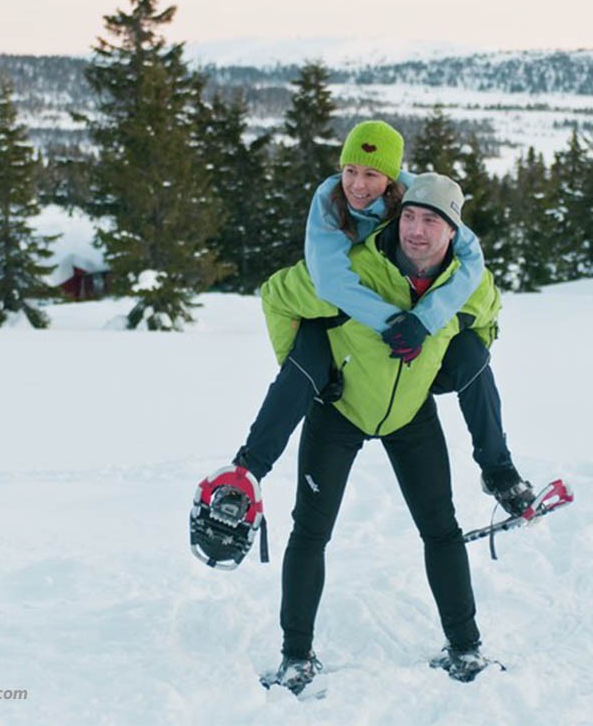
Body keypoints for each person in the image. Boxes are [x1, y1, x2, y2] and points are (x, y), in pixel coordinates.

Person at [250, 173, 534, 693]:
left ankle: (466, 649)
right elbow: (275, 295)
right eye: (409, 217)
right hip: (341, 412)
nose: (416, 232)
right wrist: (309, 368)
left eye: (432, 221)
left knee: (441, 530)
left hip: (410, 414)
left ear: (454, 233)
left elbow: (487, 325)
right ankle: (296, 657)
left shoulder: (470, 284)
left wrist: (443, 367)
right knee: (311, 533)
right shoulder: (353, 270)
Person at [193, 123, 526, 547]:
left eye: (371, 174)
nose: (358, 185)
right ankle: (245, 476)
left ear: (394, 183)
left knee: (473, 356)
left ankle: (499, 471)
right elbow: (314, 289)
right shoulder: (330, 211)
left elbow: (474, 264)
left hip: (414, 361)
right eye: (351, 171)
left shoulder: (420, 202)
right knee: (308, 355)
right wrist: (386, 326)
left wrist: (432, 321)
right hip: (347, 342)